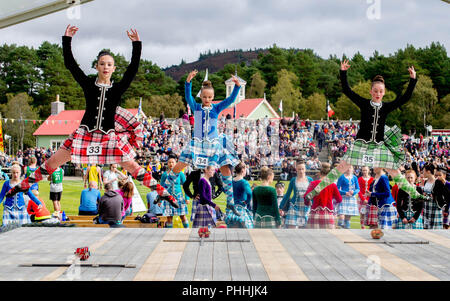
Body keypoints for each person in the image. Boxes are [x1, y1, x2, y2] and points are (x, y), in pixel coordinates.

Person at [5, 25, 178, 210]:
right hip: (85, 135)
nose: (105, 67)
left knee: (133, 167)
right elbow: (71, 65)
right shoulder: (88, 84)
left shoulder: (118, 88)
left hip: (108, 137)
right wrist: (67, 40)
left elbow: (133, 69)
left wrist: (136, 45)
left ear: (114, 68)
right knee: (52, 162)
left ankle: (164, 194)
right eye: (102, 64)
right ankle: (20, 187)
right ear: (96, 66)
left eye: (109, 64)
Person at [305, 61, 426, 203]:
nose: (378, 94)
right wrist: (343, 72)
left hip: (379, 146)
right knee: (341, 167)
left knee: (395, 171)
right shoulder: (364, 103)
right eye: (375, 91)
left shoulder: (386, 107)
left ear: (384, 92)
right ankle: (314, 192)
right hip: (361, 144)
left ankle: (416, 195)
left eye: (381, 91)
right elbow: (347, 91)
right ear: (371, 91)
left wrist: (413, 80)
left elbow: (405, 98)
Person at [165, 70, 241, 221]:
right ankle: (165, 190)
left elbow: (230, 100)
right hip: (198, 143)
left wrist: (237, 87)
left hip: (213, 143)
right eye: (205, 97)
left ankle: (230, 202)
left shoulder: (216, 108)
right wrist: (188, 82)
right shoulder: (197, 107)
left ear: (213, 98)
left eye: (210, 97)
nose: (207, 99)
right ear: (201, 96)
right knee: (180, 165)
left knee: (225, 168)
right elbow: (188, 97)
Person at [304, 163, 342, 229]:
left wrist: (307, 203)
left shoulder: (313, 183)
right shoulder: (333, 185)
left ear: (320, 173)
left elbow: (306, 197)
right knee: (329, 237)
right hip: (328, 214)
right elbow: (339, 199)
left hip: (315, 213)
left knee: (313, 237)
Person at [279, 160, 313, 229]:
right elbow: (287, 194)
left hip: (306, 207)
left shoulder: (310, 180)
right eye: (299, 169)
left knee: (303, 229)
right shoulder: (293, 180)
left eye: (302, 169)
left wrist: (313, 204)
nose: (301, 171)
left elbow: (313, 194)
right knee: (291, 227)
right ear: (296, 169)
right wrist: (281, 206)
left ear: (305, 169)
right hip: (294, 206)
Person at [160, 156, 189, 228]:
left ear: (176, 163)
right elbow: (161, 188)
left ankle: (187, 230)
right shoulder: (164, 174)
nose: (171, 164)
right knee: (169, 218)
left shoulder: (180, 174)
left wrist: (187, 197)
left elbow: (186, 186)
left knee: (182, 216)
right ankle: (169, 233)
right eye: (169, 162)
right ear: (167, 164)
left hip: (179, 197)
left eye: (173, 162)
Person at [421, 163, 449, 229]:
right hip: (426, 206)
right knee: (426, 227)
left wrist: (435, 196)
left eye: (423, 171)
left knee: (434, 228)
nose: (423, 173)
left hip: (435, 207)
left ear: (428, 171)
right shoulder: (425, 181)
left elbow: (446, 195)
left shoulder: (438, 182)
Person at [226, 162, 253, 228]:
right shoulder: (244, 182)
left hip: (231, 209)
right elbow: (249, 193)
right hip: (241, 208)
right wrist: (247, 201)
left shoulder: (231, 181)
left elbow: (225, 190)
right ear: (243, 170)